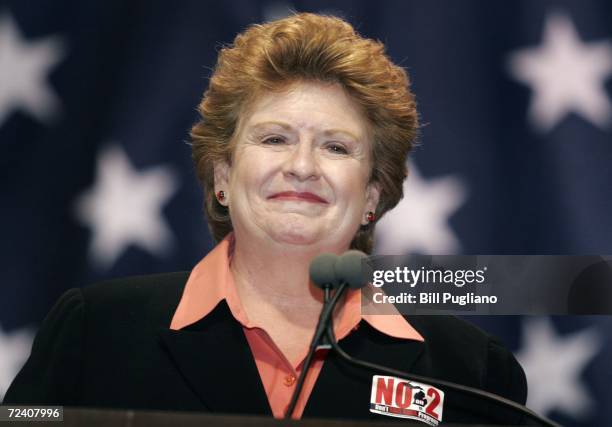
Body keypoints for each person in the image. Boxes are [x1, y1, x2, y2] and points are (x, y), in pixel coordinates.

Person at [4, 13, 527, 424]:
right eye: (274, 138)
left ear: (373, 194)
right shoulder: (97, 333)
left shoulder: (471, 370)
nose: (302, 166)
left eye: (336, 147)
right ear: (223, 177)